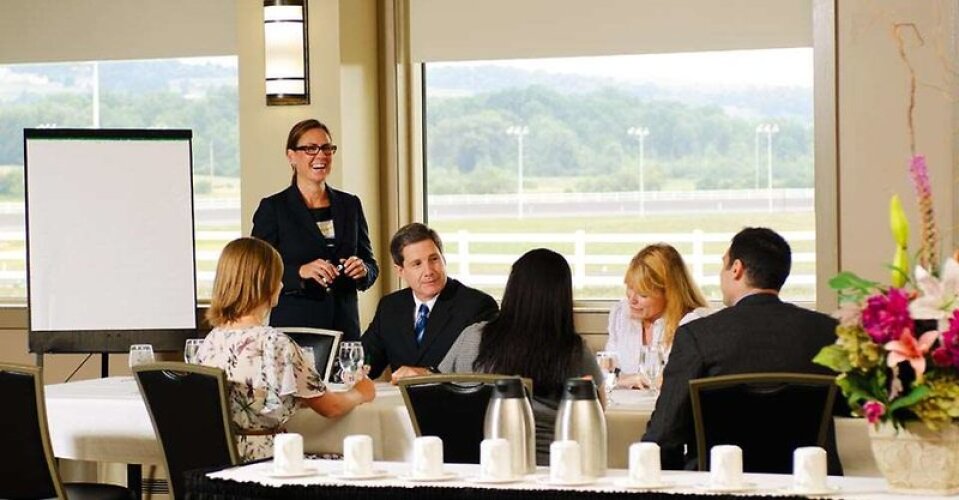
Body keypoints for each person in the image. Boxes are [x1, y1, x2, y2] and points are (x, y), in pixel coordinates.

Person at [641, 227, 842, 474]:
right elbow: (851, 408)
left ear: (736, 268)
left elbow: (663, 436)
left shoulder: (698, 336)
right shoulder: (827, 332)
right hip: (808, 482)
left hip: (718, 483)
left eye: (723, 264)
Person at [197, 237, 375, 461]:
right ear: (265, 283)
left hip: (223, 461)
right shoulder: (275, 344)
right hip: (268, 463)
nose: (282, 285)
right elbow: (331, 407)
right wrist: (361, 392)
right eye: (278, 278)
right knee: (355, 460)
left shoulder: (210, 341)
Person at [438, 248, 604, 464]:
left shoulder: (472, 336)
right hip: (551, 464)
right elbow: (598, 410)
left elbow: (438, 387)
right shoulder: (573, 351)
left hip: (477, 460)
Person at [252, 119, 378, 341]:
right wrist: (299, 272)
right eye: (311, 148)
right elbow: (256, 271)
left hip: (344, 328)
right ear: (291, 156)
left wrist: (363, 270)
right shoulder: (274, 208)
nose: (321, 155)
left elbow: (371, 265)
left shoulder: (350, 205)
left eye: (327, 148)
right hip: (296, 329)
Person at [362, 223, 498, 382]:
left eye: (434, 259)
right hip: (400, 397)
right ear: (400, 271)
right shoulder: (390, 306)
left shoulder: (477, 306)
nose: (429, 271)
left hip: (451, 397)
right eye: (417, 264)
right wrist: (352, 368)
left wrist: (430, 375)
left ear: (444, 259)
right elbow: (366, 360)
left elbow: (485, 373)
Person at [605, 243, 709, 387]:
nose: (632, 299)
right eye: (630, 288)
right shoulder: (621, 315)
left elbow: (681, 382)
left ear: (669, 294)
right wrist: (625, 381)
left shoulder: (691, 324)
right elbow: (605, 372)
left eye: (643, 294)